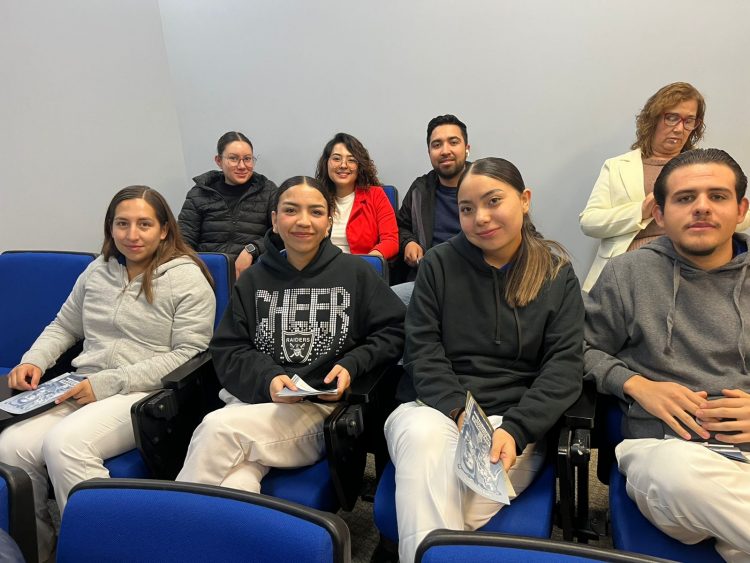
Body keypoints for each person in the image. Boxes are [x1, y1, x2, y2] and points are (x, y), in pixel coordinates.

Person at [0, 186, 216, 561]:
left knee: (65, 445)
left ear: (164, 229)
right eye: (122, 224)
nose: (132, 234)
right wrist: (34, 360)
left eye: (144, 224)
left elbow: (189, 353)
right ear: (110, 228)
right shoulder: (98, 271)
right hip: (82, 383)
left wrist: (107, 383)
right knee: (11, 446)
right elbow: (64, 326)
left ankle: (106, 550)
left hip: (143, 392)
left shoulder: (186, 277)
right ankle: (41, 550)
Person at [386, 158, 584, 563]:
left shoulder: (555, 272)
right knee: (423, 440)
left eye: (494, 201)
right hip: (436, 409)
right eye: (467, 208)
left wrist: (516, 428)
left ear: (524, 200)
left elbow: (563, 367)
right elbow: (422, 349)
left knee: (437, 501)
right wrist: (460, 412)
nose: (480, 217)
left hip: (512, 425)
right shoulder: (438, 264)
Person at [176, 176, 405, 494]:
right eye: (291, 210)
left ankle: (175, 520)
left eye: (316, 212)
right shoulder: (253, 279)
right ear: (274, 220)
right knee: (237, 480)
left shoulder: (356, 273)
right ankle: (233, 527)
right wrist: (268, 377)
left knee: (216, 429)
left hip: (314, 414)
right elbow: (229, 348)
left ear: (328, 222)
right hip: (250, 403)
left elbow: (393, 330)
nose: (303, 221)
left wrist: (352, 364)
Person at [584, 148, 750, 561]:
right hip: (666, 453)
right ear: (659, 213)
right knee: (679, 476)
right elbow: (579, 348)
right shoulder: (627, 273)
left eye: (717, 196)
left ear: (741, 209)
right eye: (685, 198)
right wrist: (635, 384)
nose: (701, 207)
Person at [579, 82, 749, 292]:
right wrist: (640, 211)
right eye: (672, 117)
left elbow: (741, 216)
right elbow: (589, 223)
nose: (679, 129)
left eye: (689, 121)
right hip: (629, 269)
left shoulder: (705, 167)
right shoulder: (617, 166)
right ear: (653, 118)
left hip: (694, 270)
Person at [178, 131, 277, 278]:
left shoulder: (268, 191)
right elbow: (183, 241)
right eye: (233, 159)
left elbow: (279, 233)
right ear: (219, 161)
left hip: (253, 273)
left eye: (247, 159)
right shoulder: (199, 193)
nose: (242, 166)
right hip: (206, 274)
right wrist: (196, 272)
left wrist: (252, 249)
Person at [393, 114, 470, 302]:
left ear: (467, 148)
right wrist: (408, 242)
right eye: (437, 145)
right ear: (429, 152)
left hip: (476, 280)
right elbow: (401, 226)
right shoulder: (420, 189)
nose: (445, 151)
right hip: (428, 281)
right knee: (379, 304)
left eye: (453, 142)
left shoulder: (486, 184)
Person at [314, 132, 398, 259]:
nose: (343, 165)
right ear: (326, 163)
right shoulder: (315, 196)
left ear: (360, 166)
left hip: (360, 267)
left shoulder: (376, 195)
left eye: (351, 160)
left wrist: (366, 263)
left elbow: (390, 241)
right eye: (336, 159)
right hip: (322, 266)